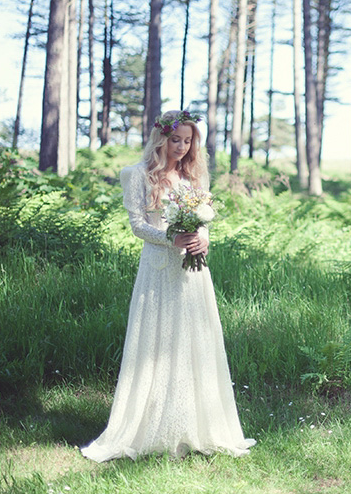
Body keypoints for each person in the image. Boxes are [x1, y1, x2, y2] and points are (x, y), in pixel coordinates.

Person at [81, 110, 255, 462]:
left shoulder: (193, 179)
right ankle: (150, 426)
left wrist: (203, 240)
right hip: (159, 268)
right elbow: (137, 226)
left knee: (194, 339)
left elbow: (202, 221)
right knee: (159, 339)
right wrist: (172, 238)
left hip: (193, 273)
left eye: (188, 140)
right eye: (175, 139)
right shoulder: (136, 175)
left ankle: (197, 424)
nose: (181, 146)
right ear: (161, 139)